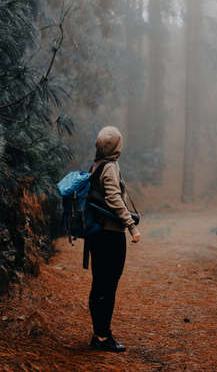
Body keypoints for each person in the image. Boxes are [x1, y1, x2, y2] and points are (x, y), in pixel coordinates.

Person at [86, 126, 141, 353]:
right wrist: (131, 227)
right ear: (116, 146)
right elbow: (114, 199)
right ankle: (101, 337)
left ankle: (100, 333)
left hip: (98, 235)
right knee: (107, 285)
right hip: (110, 236)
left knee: (100, 283)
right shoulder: (109, 167)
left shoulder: (97, 165)